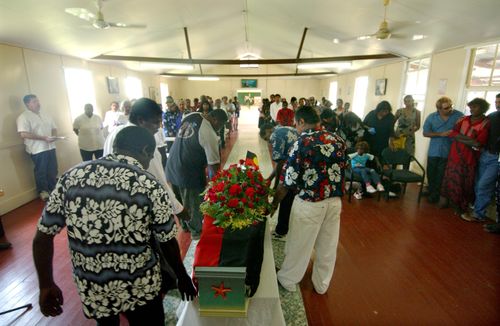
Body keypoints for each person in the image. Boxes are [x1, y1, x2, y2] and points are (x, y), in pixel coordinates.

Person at [32, 126, 197, 324]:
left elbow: (42, 236)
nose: (147, 163)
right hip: (139, 285)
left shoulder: (71, 177)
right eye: (150, 157)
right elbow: (166, 241)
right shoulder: (148, 183)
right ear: (146, 151)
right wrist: (182, 277)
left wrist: (45, 285)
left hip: (94, 285)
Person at [273, 106, 346, 294]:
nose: (296, 128)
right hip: (334, 202)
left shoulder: (302, 142)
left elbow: (288, 181)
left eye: (296, 124)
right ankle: (321, 285)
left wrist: (273, 205)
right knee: (328, 246)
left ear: (302, 122)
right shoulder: (337, 140)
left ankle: (288, 280)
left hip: (309, 202)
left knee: (300, 244)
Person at [103, 98, 186, 221]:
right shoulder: (143, 142)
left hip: (112, 204)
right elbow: (158, 181)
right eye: (155, 122)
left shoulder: (113, 133)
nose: (158, 127)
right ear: (141, 120)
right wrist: (179, 209)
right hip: (138, 206)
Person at [166, 109, 228, 240]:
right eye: (221, 125)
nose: (220, 128)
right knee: (194, 205)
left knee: (180, 201)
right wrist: (214, 189)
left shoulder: (192, 115)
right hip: (189, 172)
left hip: (171, 166)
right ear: (215, 120)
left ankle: (185, 226)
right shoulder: (209, 133)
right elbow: (213, 166)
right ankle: (197, 234)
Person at [440, 98, 491, 215]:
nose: (472, 109)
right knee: (450, 180)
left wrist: (460, 137)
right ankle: (447, 201)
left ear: (482, 108)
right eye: (471, 107)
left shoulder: (485, 123)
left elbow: (478, 143)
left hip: (469, 159)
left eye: (475, 107)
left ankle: (460, 206)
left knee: (464, 184)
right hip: (454, 156)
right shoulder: (463, 119)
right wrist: (469, 140)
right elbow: (452, 133)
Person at [463, 93, 500, 221]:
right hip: (485, 154)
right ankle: (479, 209)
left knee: (484, 185)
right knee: (478, 183)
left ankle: (479, 214)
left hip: (497, 158)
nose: (497, 104)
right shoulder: (491, 117)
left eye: (499, 102)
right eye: (496, 102)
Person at [260, 122, 299, 240]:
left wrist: (276, 185)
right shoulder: (285, 128)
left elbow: (280, 163)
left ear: (268, 130)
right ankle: (288, 227)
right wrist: (270, 178)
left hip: (291, 170)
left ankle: (281, 231)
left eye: (267, 138)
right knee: (291, 198)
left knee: (285, 198)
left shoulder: (275, 135)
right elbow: (278, 164)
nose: (269, 142)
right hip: (299, 166)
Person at [17, 94, 58, 201]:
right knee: (41, 171)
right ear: (27, 104)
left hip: (50, 146)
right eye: (34, 101)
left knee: (53, 169)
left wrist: (53, 135)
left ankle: (53, 188)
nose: (38, 103)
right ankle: (43, 191)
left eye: (38, 101)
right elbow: (23, 134)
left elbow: (54, 127)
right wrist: (43, 138)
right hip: (38, 149)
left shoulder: (45, 114)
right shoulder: (23, 117)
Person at [422, 97, 464, 204]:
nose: (450, 109)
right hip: (434, 150)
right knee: (431, 173)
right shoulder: (431, 117)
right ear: (439, 109)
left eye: (451, 106)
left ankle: (436, 195)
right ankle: (431, 191)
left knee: (441, 174)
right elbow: (425, 133)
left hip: (449, 151)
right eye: (446, 108)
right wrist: (440, 134)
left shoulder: (459, 116)